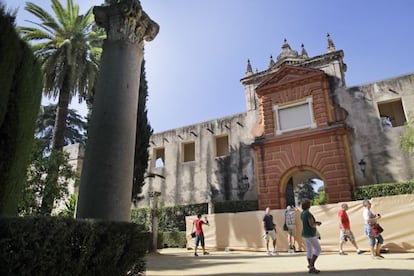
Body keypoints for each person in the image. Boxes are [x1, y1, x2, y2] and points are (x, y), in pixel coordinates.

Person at [301, 199, 322, 274]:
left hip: (304, 234)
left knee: (309, 250)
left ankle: (310, 266)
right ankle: (311, 265)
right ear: (308, 205)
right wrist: (317, 223)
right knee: (318, 249)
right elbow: (311, 224)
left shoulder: (302, 213)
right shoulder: (308, 214)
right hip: (310, 234)